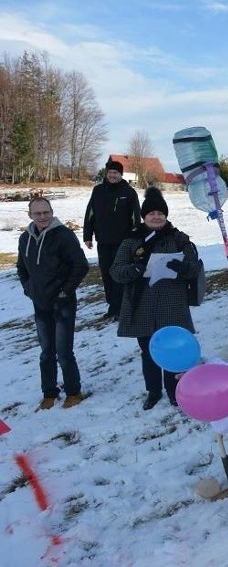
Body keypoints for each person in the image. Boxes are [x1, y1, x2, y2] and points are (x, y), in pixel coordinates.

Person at [110, 187, 201, 410]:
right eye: (151, 213)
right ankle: (153, 391)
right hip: (141, 304)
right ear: (144, 216)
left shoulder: (179, 239)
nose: (156, 217)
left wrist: (182, 268)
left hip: (172, 303)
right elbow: (116, 272)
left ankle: (174, 390)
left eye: (160, 213)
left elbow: (194, 268)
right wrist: (136, 269)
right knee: (149, 351)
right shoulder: (131, 241)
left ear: (166, 215)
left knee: (173, 351)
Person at [17, 198, 89, 410]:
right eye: (37, 213)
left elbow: (81, 266)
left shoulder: (64, 236)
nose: (42, 217)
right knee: (46, 351)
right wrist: (28, 288)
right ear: (30, 214)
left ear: (51, 212)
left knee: (63, 351)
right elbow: (21, 267)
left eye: (46, 212)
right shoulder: (25, 238)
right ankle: (49, 393)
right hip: (40, 302)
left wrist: (65, 291)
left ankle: (73, 392)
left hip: (62, 303)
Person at [83, 160, 141, 321]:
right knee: (107, 274)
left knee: (120, 274)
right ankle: (112, 307)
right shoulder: (98, 190)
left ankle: (123, 308)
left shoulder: (128, 192)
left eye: (116, 173)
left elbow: (136, 215)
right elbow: (90, 213)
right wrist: (87, 236)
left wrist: (136, 235)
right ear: (106, 174)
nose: (113, 175)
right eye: (110, 173)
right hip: (103, 240)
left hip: (123, 241)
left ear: (121, 175)